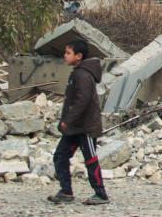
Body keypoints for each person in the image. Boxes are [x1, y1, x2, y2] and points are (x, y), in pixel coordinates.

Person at [49, 39, 110, 205]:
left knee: (90, 159)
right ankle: (66, 191)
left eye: (68, 53)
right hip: (75, 128)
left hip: (86, 128)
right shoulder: (77, 73)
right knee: (60, 156)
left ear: (79, 56)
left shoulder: (83, 75)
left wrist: (67, 120)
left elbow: (81, 101)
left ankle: (101, 194)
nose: (65, 56)